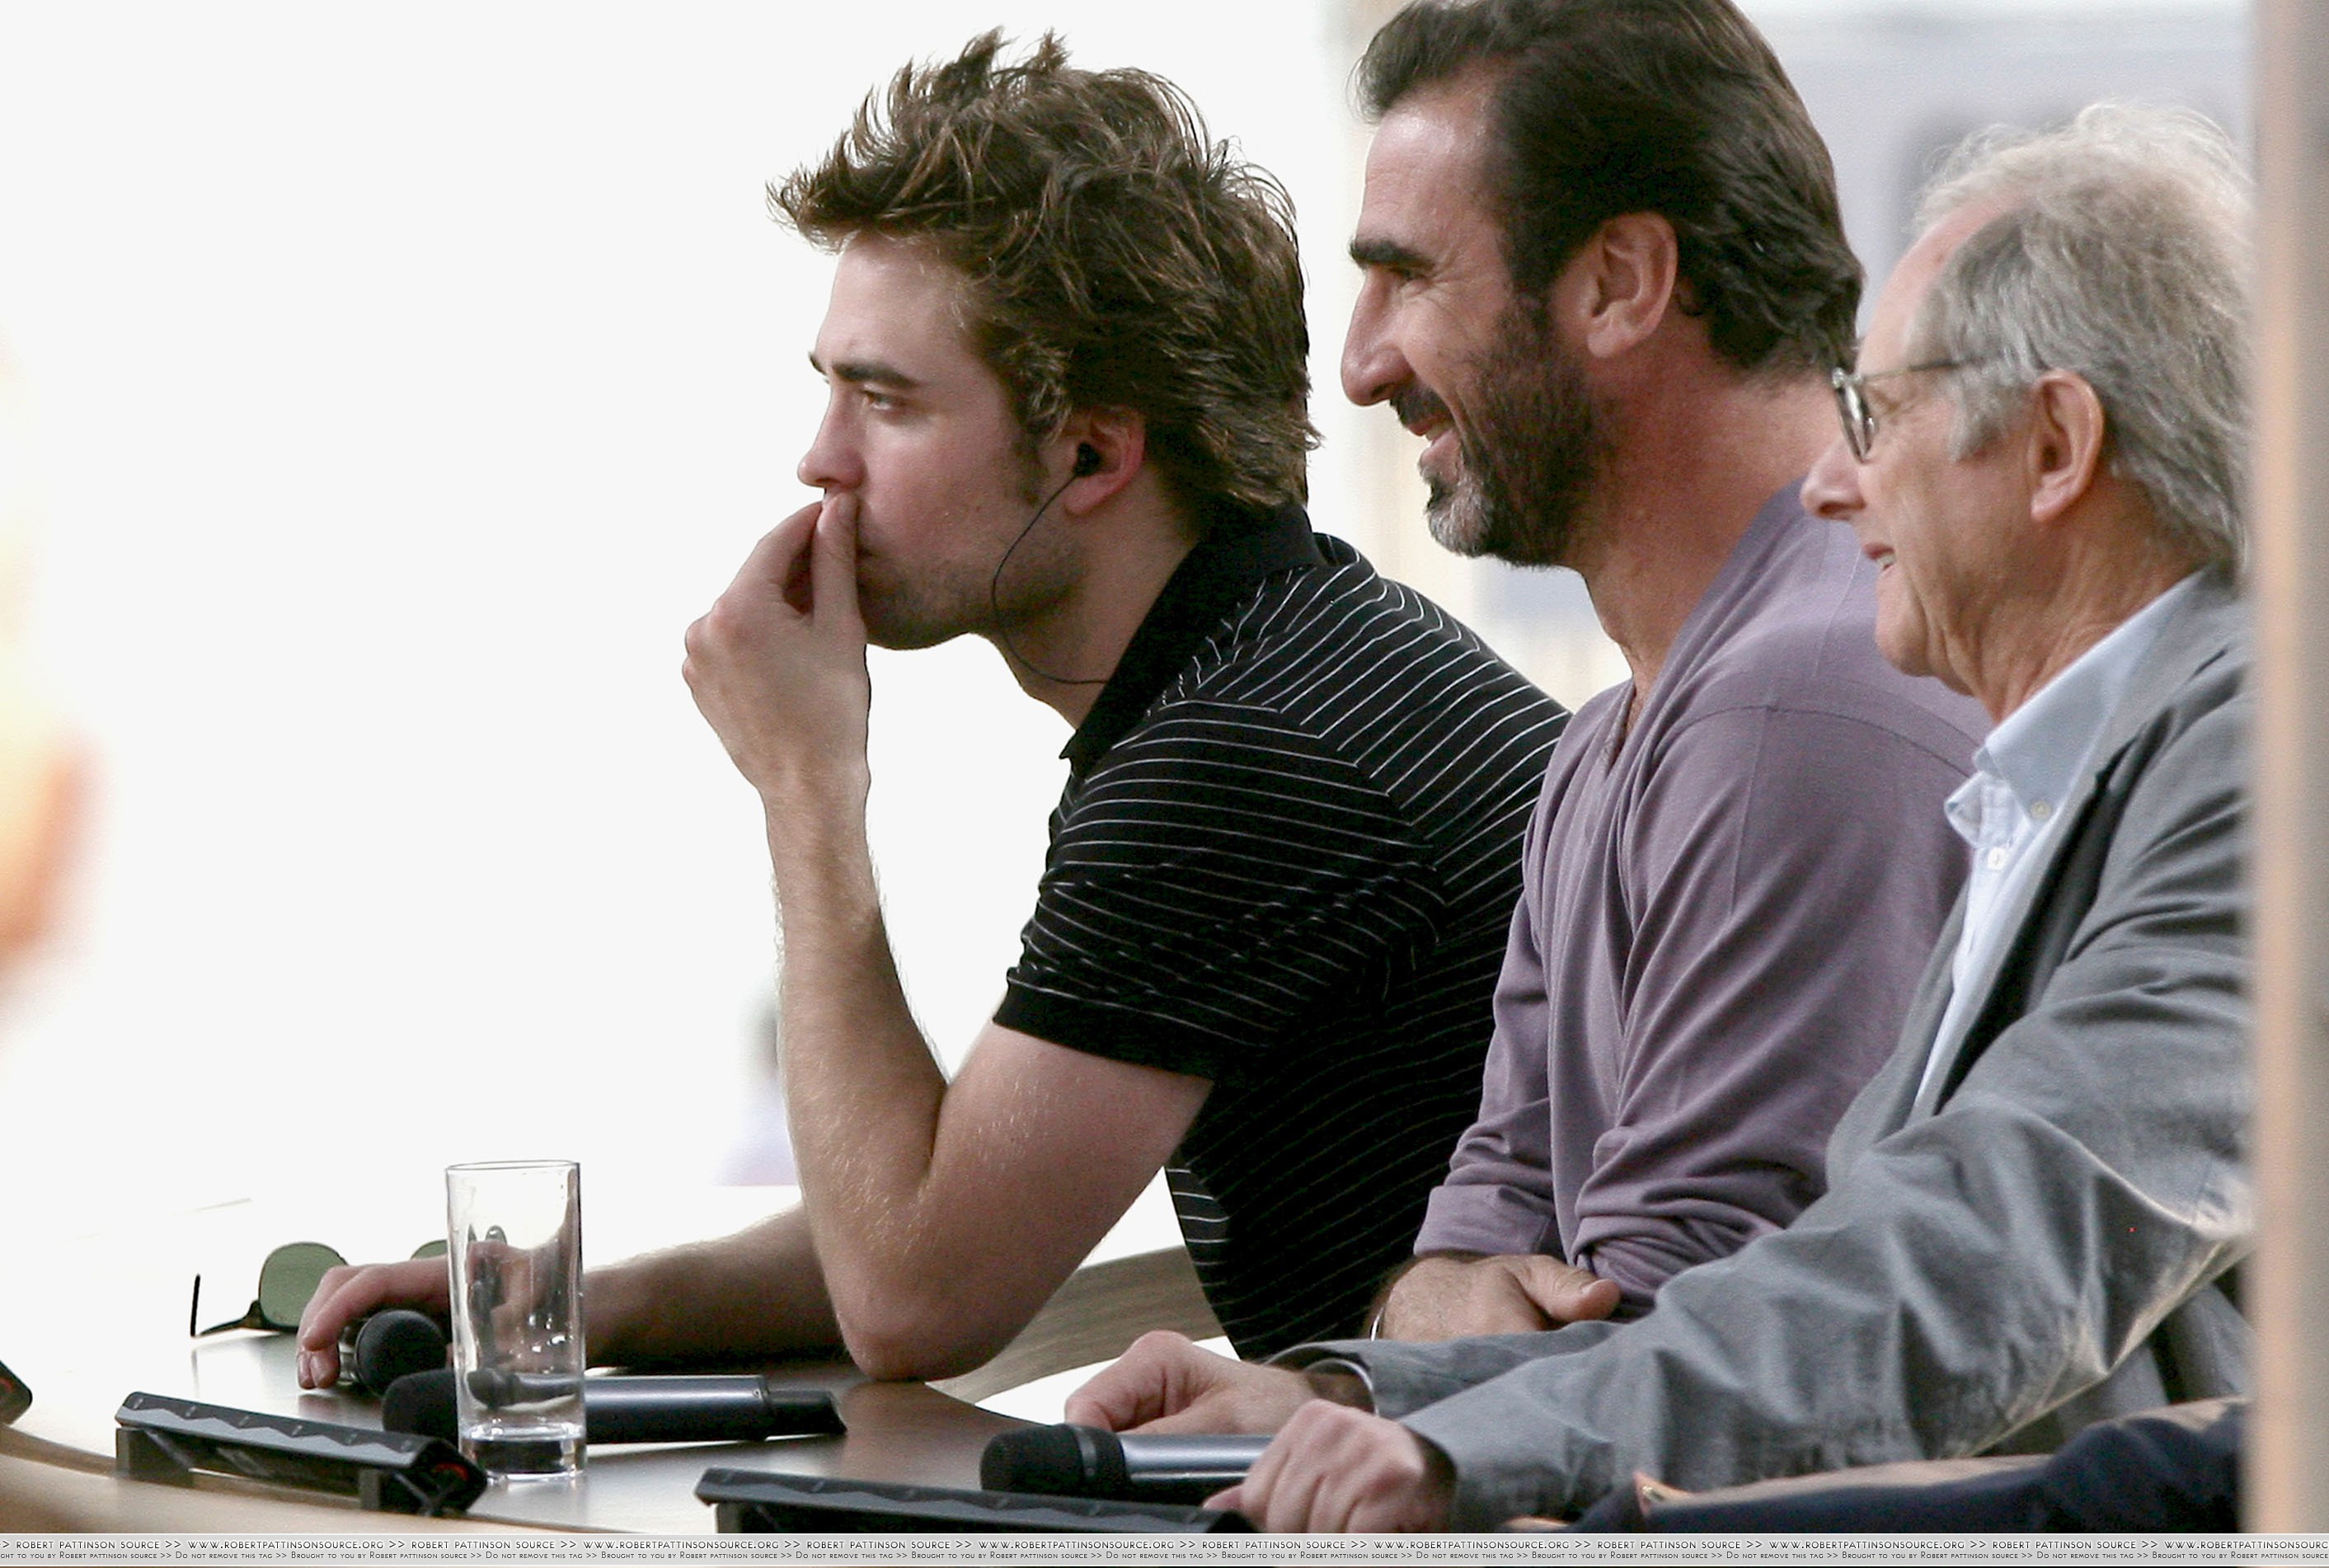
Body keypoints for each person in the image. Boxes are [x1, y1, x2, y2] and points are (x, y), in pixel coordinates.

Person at [294, 31, 1566, 1387]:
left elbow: (911, 1291)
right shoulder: (1293, 652)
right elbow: (936, 1204)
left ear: (1091, 450)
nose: (818, 460)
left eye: (883, 401)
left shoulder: (1236, 756)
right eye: (828, 388)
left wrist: (807, 785)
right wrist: (553, 1302)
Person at [1067, 99, 2252, 1532]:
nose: (1833, 481)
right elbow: (1814, 1279)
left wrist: (1461, 1444)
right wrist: (1354, 1395)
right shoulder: (2071, 763)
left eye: (1877, 416)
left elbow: (1967, 1266)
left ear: (2055, 444)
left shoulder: (2259, 765)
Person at [1341, 0, 1983, 1343]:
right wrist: (1415, 1314)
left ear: (1622, 282)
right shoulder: (1608, 741)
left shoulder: (1792, 706)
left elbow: (1660, 1348)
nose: (1360, 363)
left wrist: (1387, 1362)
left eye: (1409, 277)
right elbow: (1473, 1246)